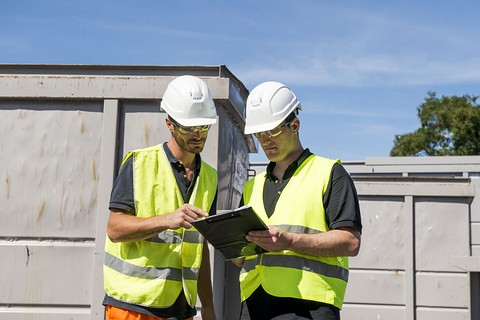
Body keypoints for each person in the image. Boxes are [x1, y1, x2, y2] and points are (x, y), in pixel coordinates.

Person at [236, 81, 362, 320]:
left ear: (294, 125)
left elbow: (350, 242)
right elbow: (242, 258)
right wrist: (227, 242)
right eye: (259, 133)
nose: (265, 140)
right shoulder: (252, 186)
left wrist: (289, 241)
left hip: (309, 308)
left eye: (272, 131)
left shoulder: (330, 173)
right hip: (253, 305)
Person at [103, 75, 218, 320]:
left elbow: (201, 247)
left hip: (180, 306)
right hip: (132, 306)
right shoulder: (139, 163)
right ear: (169, 123)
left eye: (203, 126)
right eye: (188, 127)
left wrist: (207, 306)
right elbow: (115, 229)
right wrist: (167, 220)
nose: (197, 134)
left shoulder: (210, 177)